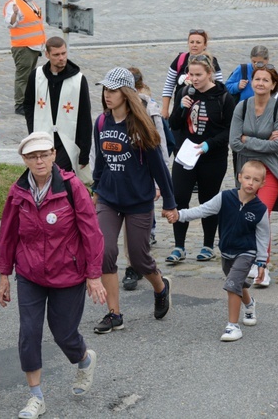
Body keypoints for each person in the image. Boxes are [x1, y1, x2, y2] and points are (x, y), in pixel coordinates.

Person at [0, 132, 106, 419]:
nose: (39, 160)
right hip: (30, 274)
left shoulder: (72, 188)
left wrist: (93, 276)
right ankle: (36, 397)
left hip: (67, 274)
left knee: (64, 334)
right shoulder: (17, 192)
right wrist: (4, 274)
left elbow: (92, 233)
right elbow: (7, 235)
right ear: (24, 159)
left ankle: (84, 359)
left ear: (53, 155)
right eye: (33, 156)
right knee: (29, 333)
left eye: (44, 154)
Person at [92, 67, 176, 334]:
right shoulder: (101, 122)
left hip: (138, 201)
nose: (108, 94)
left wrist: (170, 203)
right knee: (104, 251)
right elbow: (101, 162)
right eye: (106, 89)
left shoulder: (141, 126)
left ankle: (161, 286)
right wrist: (96, 189)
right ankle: (114, 314)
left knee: (139, 259)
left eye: (113, 90)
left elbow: (159, 168)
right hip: (109, 198)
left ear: (126, 93)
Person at [165, 161, 269, 342]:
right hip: (227, 251)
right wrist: (180, 215)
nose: (250, 183)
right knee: (238, 283)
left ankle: (233, 326)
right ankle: (250, 305)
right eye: (247, 178)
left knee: (232, 284)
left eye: (256, 180)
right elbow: (202, 210)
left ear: (262, 183)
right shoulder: (225, 197)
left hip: (246, 252)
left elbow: (262, 237)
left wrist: (261, 262)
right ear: (239, 177)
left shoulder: (261, 210)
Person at [229, 64, 278, 287]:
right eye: (257, 79)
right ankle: (249, 261)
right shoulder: (242, 106)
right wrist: (262, 142)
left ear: (273, 84)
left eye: (266, 80)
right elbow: (235, 142)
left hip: (270, 170)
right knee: (246, 215)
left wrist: (249, 141)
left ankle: (262, 266)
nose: (260, 83)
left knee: (261, 216)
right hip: (246, 170)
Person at [166, 53, 234, 264]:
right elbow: (175, 125)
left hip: (212, 156)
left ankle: (207, 245)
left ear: (209, 74)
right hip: (186, 154)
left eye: (198, 75)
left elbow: (229, 131)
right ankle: (179, 246)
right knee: (179, 197)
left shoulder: (224, 97)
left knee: (208, 199)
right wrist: (181, 106)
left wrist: (209, 144)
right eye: (191, 74)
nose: (194, 79)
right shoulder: (186, 92)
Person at [121, 67, 169, 291]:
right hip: (119, 178)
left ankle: (145, 269)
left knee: (138, 236)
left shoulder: (150, 109)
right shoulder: (112, 112)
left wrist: (161, 184)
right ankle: (131, 268)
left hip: (142, 179)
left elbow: (161, 150)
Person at [24, 36, 92, 182]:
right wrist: (32, 131)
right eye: (56, 55)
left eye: (63, 53)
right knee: (42, 177)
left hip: (67, 140)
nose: (61, 58)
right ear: (47, 55)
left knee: (59, 177)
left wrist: (84, 152)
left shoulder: (78, 80)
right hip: (43, 137)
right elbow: (28, 105)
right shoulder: (36, 76)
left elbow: (85, 116)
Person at [160, 29, 223, 120]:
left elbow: (219, 87)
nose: (194, 45)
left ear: (205, 45)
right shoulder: (180, 59)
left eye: (198, 42)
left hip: (203, 111)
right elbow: (168, 86)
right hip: (180, 110)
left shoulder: (212, 62)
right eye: (191, 42)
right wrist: (165, 110)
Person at [5, 0, 46, 116]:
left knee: (29, 76)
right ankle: (20, 104)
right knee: (23, 76)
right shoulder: (13, 4)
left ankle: (27, 101)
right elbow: (11, 23)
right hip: (23, 47)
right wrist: (15, 14)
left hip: (34, 46)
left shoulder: (31, 3)